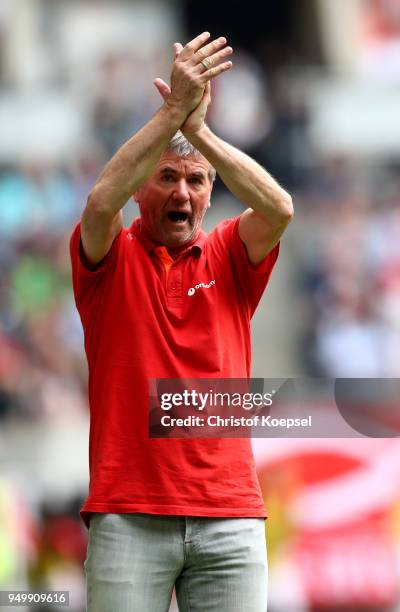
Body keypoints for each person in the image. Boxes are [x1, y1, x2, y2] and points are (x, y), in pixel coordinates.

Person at [70, 32, 293, 612]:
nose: (183, 191)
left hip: (231, 515)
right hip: (128, 512)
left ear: (210, 193)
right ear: (141, 189)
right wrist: (172, 112)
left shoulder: (229, 256)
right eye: (167, 177)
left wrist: (200, 134)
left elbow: (278, 209)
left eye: (196, 181)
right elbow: (98, 205)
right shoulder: (109, 257)